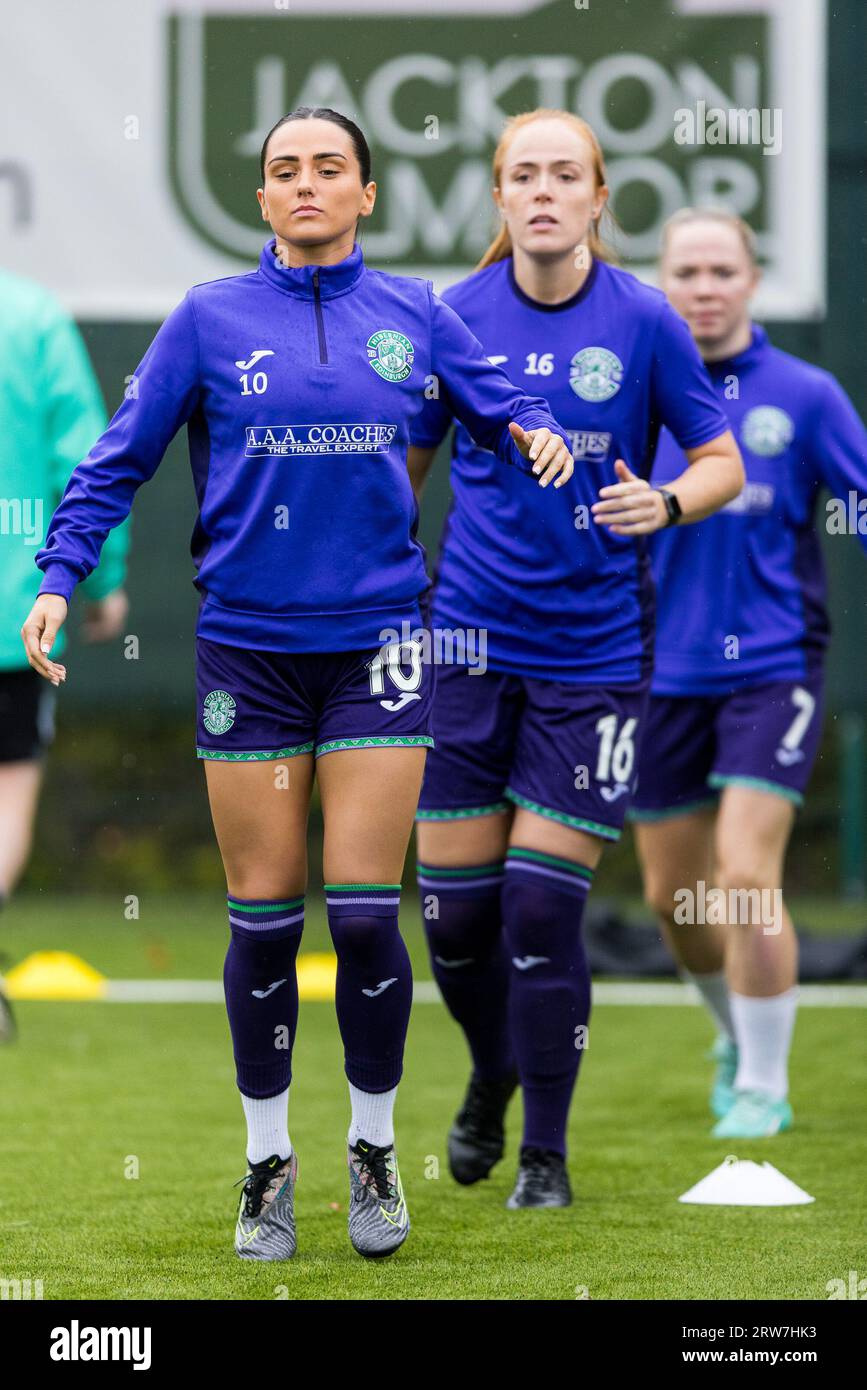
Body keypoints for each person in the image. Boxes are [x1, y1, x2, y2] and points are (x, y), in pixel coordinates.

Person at [21, 107, 574, 1261]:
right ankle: (267, 1164)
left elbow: (499, 396)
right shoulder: (206, 320)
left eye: (330, 167)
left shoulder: (416, 314)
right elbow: (115, 458)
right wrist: (60, 579)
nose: (307, 182)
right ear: (262, 198)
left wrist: (534, 428)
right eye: (285, 170)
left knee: (367, 913)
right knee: (267, 924)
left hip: (378, 644)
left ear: (366, 192)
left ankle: (374, 1151)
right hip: (249, 654)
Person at [407, 110, 744, 1208]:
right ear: (498, 200)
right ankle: (494, 1068)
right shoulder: (452, 318)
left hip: (593, 655)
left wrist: (671, 498)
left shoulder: (646, 323)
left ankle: (544, 1153)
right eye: (522, 175)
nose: (543, 191)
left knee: (542, 909)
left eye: (566, 175)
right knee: (456, 920)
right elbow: (400, 475)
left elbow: (721, 459)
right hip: (462, 649)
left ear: (600, 200)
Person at [630, 207, 867, 1138]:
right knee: (671, 898)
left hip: (773, 668)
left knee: (741, 872)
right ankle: (734, 1034)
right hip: (653, 674)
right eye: (685, 272)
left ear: (751, 282)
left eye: (721, 270)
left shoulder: (805, 395)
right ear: (663, 283)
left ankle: (765, 1082)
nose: (704, 288)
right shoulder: (635, 390)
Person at [0, 268, 129, 1041]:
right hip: (14, 610)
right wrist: (102, 576)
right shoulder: (32, 317)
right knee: (8, 789)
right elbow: (84, 460)